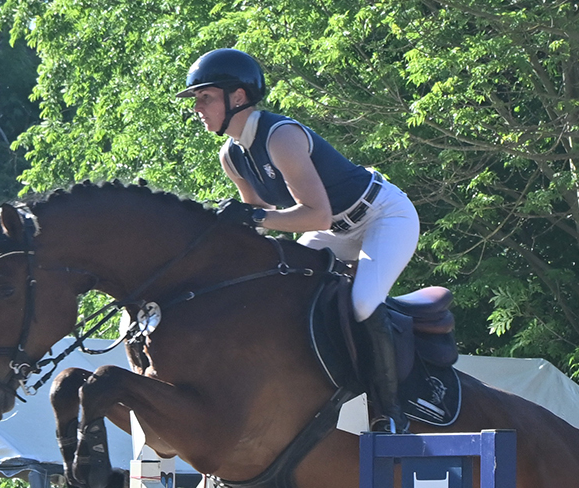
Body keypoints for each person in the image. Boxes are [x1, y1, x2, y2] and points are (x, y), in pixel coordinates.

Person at [179, 48, 421, 431]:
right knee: (276, 287)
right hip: (335, 229)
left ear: (237, 96)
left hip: (382, 216)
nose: (197, 108)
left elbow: (314, 214)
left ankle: (390, 412)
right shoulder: (232, 156)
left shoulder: (281, 136)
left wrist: (255, 217)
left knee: (362, 302)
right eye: (196, 99)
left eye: (205, 97)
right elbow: (259, 221)